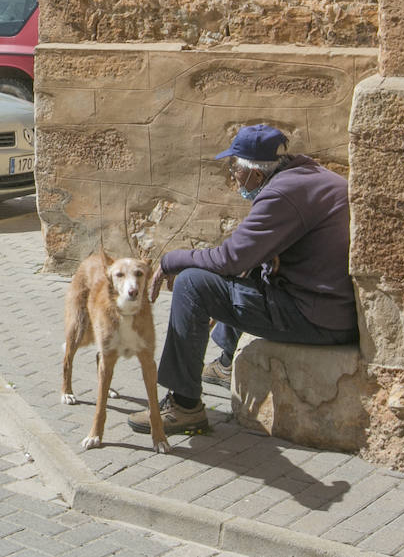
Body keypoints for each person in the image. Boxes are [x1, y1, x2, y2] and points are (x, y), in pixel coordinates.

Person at [128, 124, 360, 437]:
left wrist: (173, 260)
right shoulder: (306, 175)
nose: (233, 175)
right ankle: (225, 363)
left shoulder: (281, 195)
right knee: (248, 270)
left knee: (193, 284)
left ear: (256, 174)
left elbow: (229, 259)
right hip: (331, 309)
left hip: (317, 318)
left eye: (235, 167)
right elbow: (244, 257)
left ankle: (184, 406)